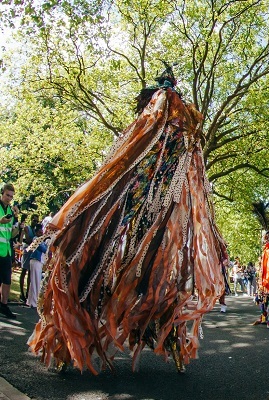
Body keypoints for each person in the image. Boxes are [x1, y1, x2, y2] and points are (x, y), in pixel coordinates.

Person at [27, 65, 229, 373]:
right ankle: (83, 328)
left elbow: (188, 161)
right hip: (136, 197)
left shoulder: (175, 122)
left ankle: (156, 326)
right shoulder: (166, 115)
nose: (165, 101)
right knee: (113, 257)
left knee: (155, 266)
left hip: (161, 204)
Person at [0, 183, 20, 319]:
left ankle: (4, 305)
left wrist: (17, 222)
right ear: (2, 193)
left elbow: (12, 234)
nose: (9, 198)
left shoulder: (11, 211)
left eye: (11, 197)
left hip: (6, 250)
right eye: (7, 195)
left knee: (7, 280)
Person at [25, 224, 47, 309]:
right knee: (36, 281)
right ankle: (34, 302)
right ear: (36, 232)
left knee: (34, 281)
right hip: (35, 261)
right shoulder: (36, 239)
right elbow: (44, 249)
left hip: (39, 262)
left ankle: (30, 301)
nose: (41, 233)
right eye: (39, 231)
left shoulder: (41, 240)